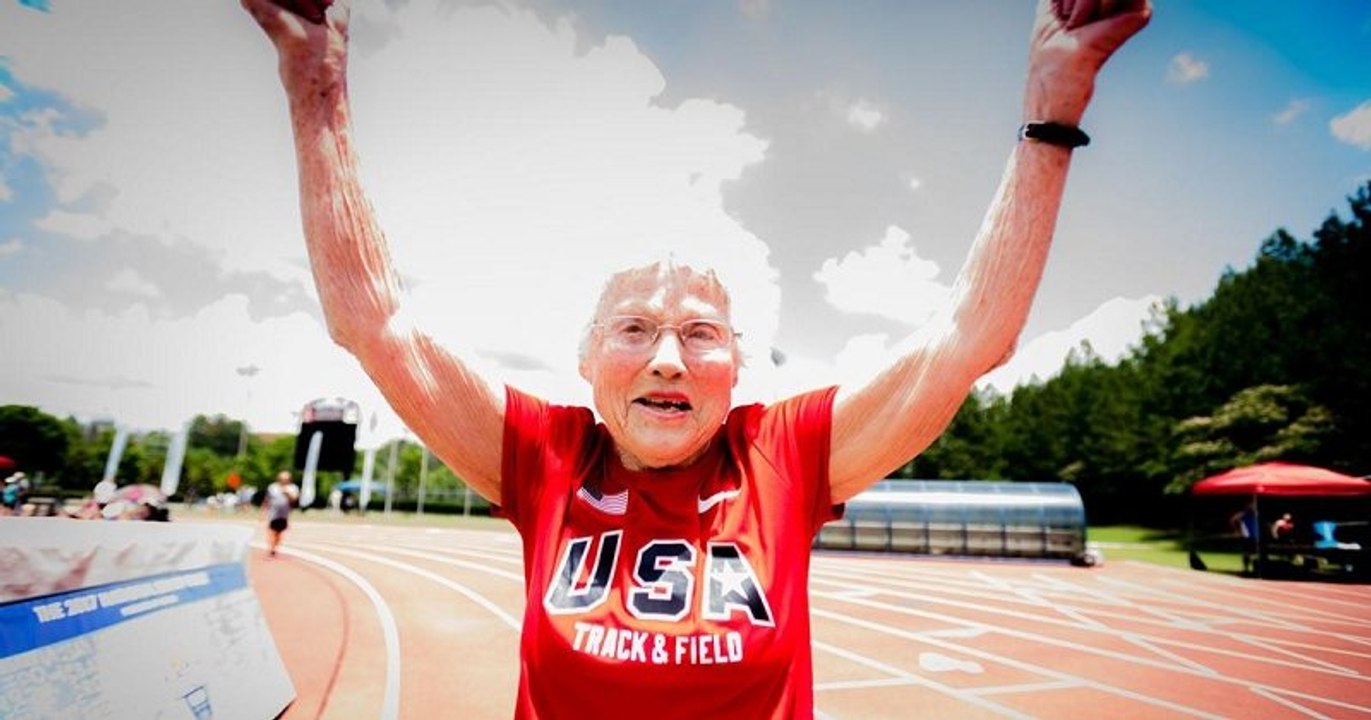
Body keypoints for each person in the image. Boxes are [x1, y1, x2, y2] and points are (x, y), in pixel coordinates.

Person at [242, 0, 1150, 716]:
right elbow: (376, 321)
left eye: (701, 333)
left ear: (738, 367)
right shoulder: (545, 456)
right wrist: (313, 80)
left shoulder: (785, 457)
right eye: (633, 329)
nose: (668, 358)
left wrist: (1050, 112)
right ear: (587, 359)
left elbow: (967, 338)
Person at [264, 470, 300, 557]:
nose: (284, 480)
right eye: (282, 479)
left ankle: (275, 546)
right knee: (272, 530)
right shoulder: (272, 487)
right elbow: (267, 499)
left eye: (286, 479)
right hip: (273, 512)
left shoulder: (293, 488)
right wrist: (264, 510)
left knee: (279, 532)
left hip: (284, 514)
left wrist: (287, 493)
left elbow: (295, 499)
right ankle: (272, 547)